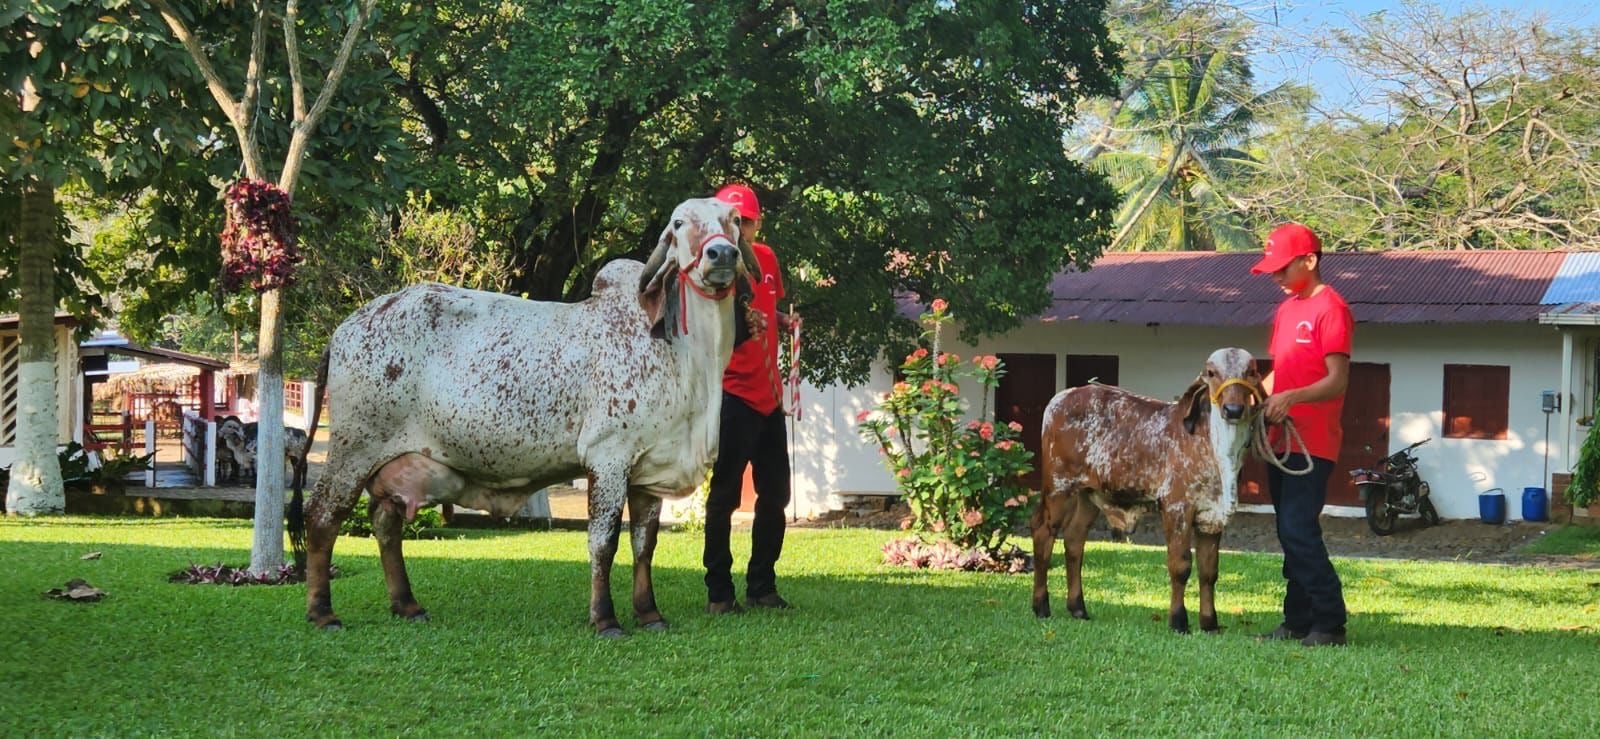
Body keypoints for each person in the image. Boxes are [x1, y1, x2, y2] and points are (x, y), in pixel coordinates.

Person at [1250, 222, 1352, 647]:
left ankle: (1330, 622)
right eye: (1272, 268)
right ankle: (1296, 620)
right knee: (1288, 531)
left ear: (1309, 261)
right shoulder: (1286, 310)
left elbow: (1337, 380)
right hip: (1281, 440)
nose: (1275, 275)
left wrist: (1291, 398)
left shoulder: (1332, 308)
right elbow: (1281, 373)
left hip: (1314, 441)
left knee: (1298, 528)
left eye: (1282, 267)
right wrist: (1252, 401)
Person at [704, 183, 799, 614]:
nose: (740, 229)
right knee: (724, 496)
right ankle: (719, 593)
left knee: (776, 495)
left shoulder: (768, 259)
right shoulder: (713, 265)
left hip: (769, 396)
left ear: (758, 223)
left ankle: (762, 586)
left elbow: (767, 299)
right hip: (732, 393)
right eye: (733, 221)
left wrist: (780, 319)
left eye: (747, 222)